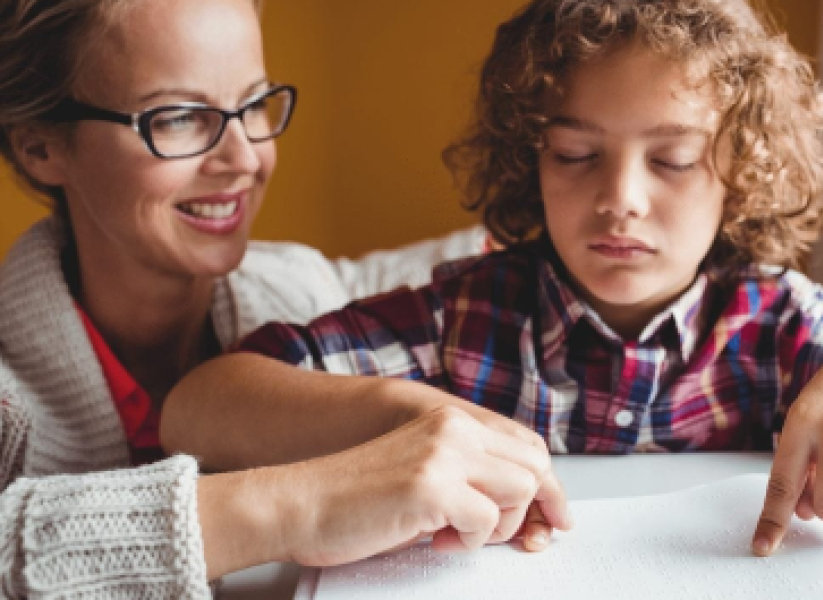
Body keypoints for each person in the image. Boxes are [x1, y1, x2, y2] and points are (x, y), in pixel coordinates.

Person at [163, 0, 823, 563]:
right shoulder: (464, 317)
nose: (621, 200)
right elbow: (198, 406)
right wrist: (410, 413)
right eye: (576, 155)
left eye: (674, 160)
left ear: (741, 170)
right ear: (530, 159)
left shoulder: (778, 327)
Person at [0, 0, 571, 596]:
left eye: (253, 104)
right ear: (40, 147)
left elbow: (435, 273)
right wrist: (304, 504)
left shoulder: (299, 290)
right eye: (177, 118)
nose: (244, 157)